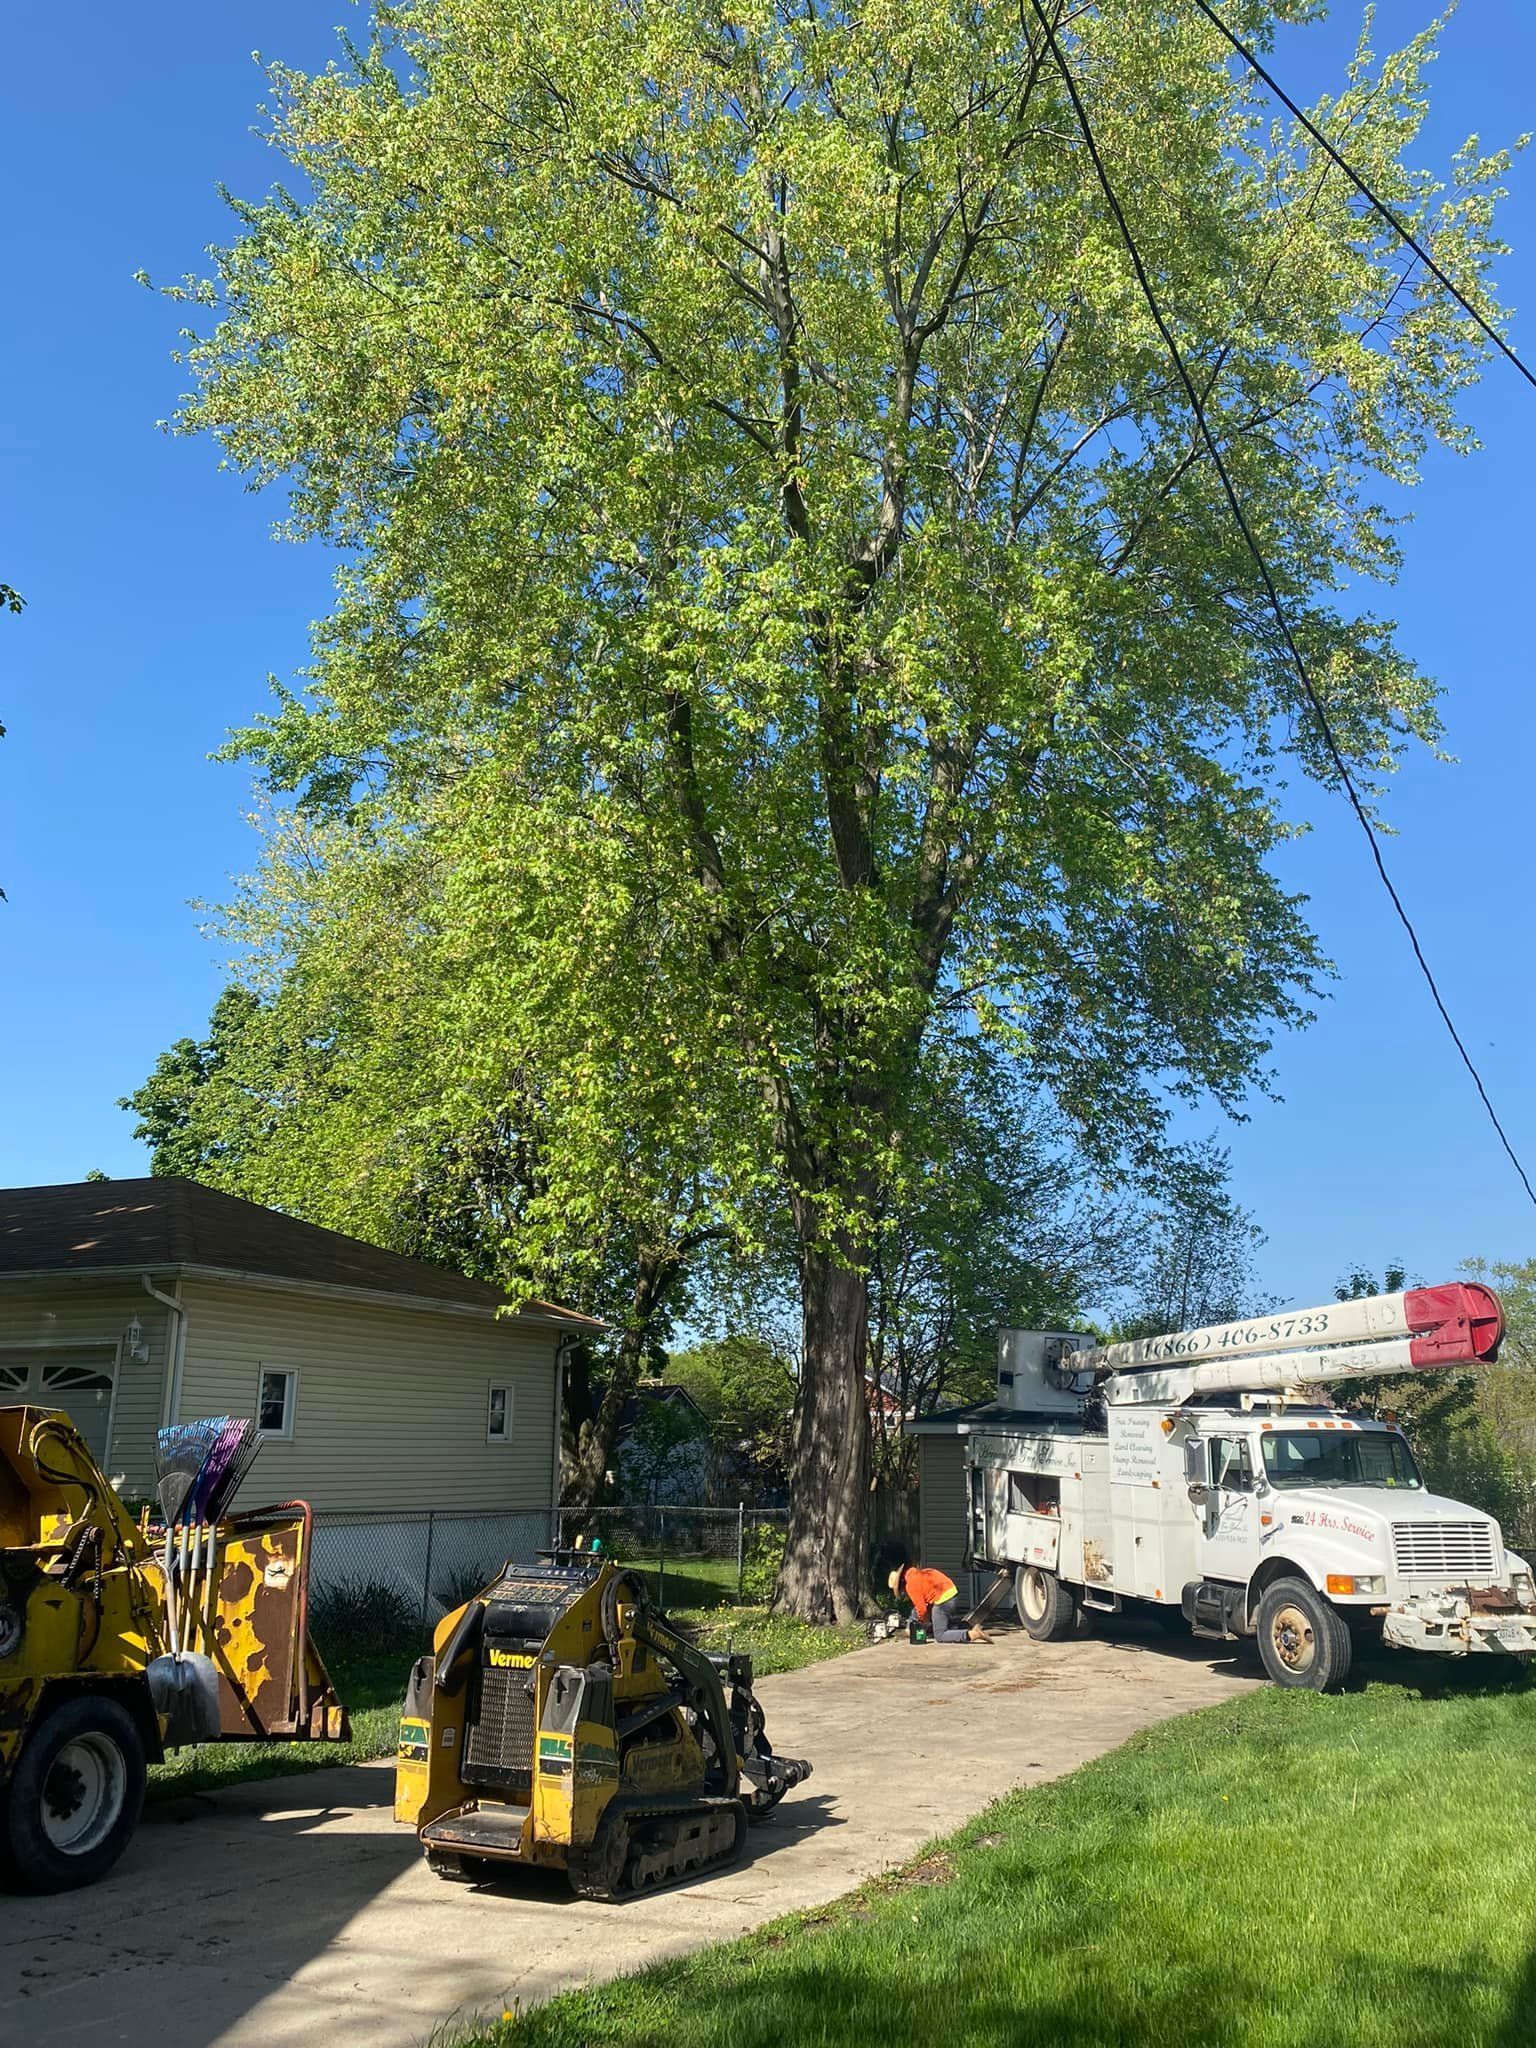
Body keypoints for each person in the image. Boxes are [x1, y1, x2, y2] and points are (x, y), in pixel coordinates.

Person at [888, 1564, 991, 1643]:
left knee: (940, 1635)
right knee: (917, 1612)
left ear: (901, 1582)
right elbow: (921, 1606)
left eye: (900, 1589)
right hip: (951, 1593)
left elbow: (922, 1610)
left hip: (943, 1600)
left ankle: (973, 1634)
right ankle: (966, 1627)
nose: (902, 1591)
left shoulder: (911, 1585)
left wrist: (922, 1625)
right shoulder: (919, 1573)